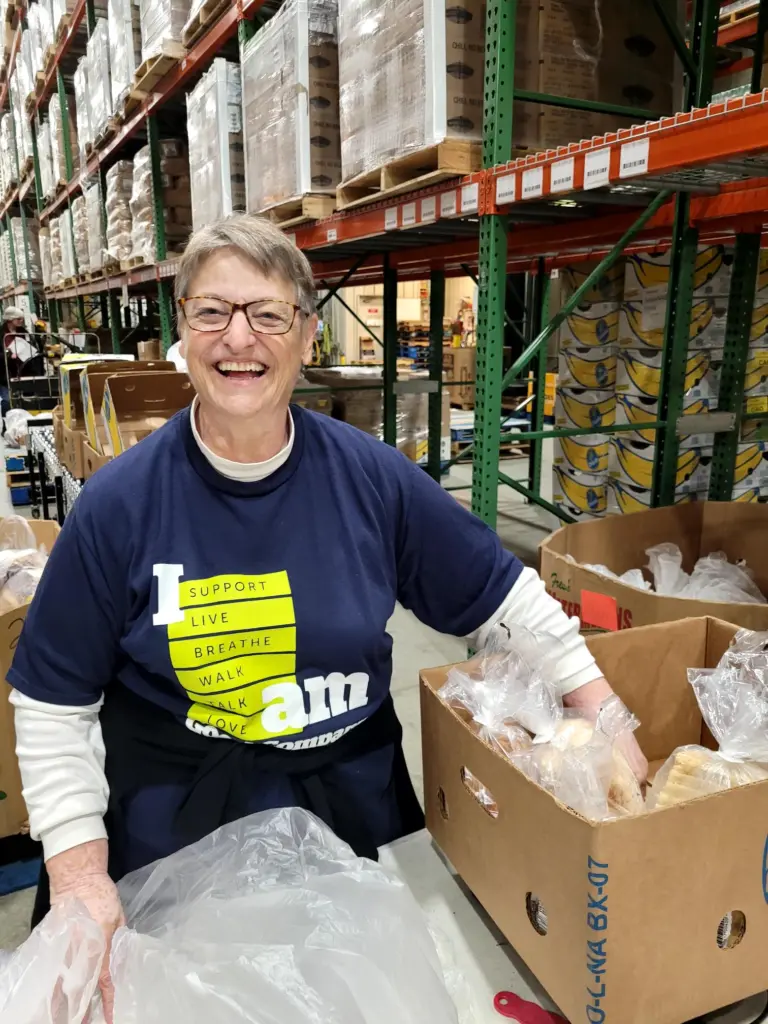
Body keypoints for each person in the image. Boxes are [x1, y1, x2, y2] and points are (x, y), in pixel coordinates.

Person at [9, 215, 647, 1020]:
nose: (238, 337)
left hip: (345, 799)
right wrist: (77, 876)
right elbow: (53, 700)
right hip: (176, 813)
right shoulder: (118, 506)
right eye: (212, 312)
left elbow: (504, 600)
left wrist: (603, 710)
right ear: (182, 331)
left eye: (268, 314)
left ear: (307, 334)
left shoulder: (371, 480)